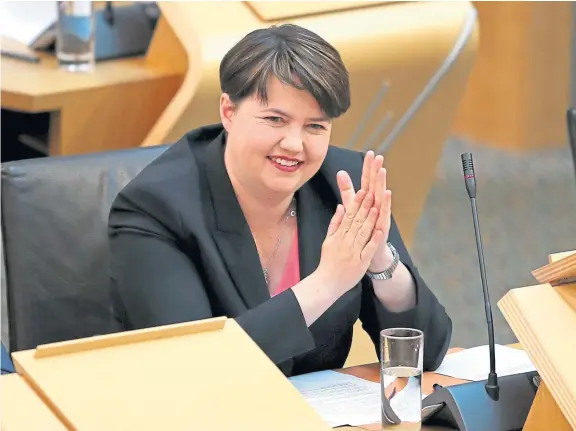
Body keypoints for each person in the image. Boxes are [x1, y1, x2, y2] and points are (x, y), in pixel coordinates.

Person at [108, 24, 452, 376]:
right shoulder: (155, 209)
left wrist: (380, 262)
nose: (294, 144)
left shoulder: (342, 185)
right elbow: (197, 369)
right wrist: (327, 282)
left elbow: (428, 353)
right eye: (275, 120)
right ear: (228, 111)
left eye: (315, 126)